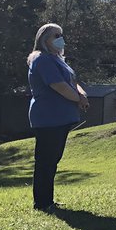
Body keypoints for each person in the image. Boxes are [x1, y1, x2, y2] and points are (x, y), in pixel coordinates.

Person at [27, 23, 89, 212]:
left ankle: (48, 200)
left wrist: (82, 94)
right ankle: (42, 203)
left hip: (60, 118)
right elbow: (59, 86)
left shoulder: (58, 60)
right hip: (48, 118)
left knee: (52, 159)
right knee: (45, 161)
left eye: (61, 34)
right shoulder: (43, 60)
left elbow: (72, 82)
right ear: (44, 40)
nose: (60, 38)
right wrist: (78, 99)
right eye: (56, 35)